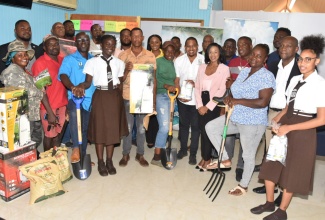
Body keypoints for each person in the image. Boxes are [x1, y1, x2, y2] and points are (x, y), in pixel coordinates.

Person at [251, 35, 325, 220]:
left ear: (317, 61)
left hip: (304, 130)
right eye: (301, 59)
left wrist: (290, 128)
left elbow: (321, 120)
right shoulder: (295, 80)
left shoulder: (320, 84)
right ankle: (269, 202)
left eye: (308, 60)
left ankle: (282, 211)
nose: (303, 63)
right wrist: (278, 118)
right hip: (287, 122)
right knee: (271, 166)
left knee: (293, 171)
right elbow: (288, 106)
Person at [205, 44, 276, 196]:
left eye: (259, 56)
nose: (254, 58)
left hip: (253, 122)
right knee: (211, 127)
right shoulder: (245, 72)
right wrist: (230, 98)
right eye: (253, 55)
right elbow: (235, 93)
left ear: (265, 58)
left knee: (248, 155)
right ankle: (224, 158)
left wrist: (238, 101)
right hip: (235, 117)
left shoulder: (267, 76)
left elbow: (263, 102)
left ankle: (243, 186)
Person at [252, 36, 301, 205]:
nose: (283, 48)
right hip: (271, 113)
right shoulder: (272, 66)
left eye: (289, 46)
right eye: (282, 46)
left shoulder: (300, 68)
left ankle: (282, 190)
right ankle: (269, 186)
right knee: (270, 152)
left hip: (289, 116)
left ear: (296, 49)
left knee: (285, 154)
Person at [73, 35, 128, 176]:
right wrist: (80, 86)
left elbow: (120, 81)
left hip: (114, 97)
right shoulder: (92, 62)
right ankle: (101, 162)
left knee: (112, 131)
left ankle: (109, 161)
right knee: (100, 131)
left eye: (112, 44)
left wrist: (120, 100)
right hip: (100, 96)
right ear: (101, 46)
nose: (110, 47)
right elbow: (87, 82)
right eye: (107, 44)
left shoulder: (119, 63)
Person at [0, 40, 53, 158]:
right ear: (12, 58)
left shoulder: (24, 71)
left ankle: (31, 159)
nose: (24, 57)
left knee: (35, 140)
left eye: (25, 55)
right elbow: (25, 92)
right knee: (24, 144)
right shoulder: (11, 72)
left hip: (32, 113)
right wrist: (40, 90)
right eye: (19, 55)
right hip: (22, 116)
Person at [118, 27, 156, 168]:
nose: (136, 39)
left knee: (141, 128)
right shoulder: (123, 56)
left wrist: (153, 100)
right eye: (133, 36)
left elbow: (154, 79)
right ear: (131, 38)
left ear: (143, 37)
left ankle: (140, 154)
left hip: (143, 96)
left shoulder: (150, 56)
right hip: (127, 95)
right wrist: (127, 70)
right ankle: (125, 153)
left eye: (139, 36)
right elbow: (119, 80)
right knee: (127, 126)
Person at [58, 32, 95, 163]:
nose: (83, 42)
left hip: (90, 100)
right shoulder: (70, 59)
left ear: (89, 43)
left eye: (85, 40)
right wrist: (72, 87)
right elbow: (63, 75)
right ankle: (75, 149)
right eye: (80, 40)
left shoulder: (94, 60)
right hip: (75, 98)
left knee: (84, 130)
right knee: (74, 119)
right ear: (76, 43)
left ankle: (83, 155)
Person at [195, 43, 229, 171]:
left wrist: (207, 107)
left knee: (208, 131)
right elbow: (197, 87)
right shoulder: (202, 67)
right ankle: (205, 157)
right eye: (210, 52)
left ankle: (207, 158)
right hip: (201, 102)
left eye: (215, 52)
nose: (213, 55)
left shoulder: (224, 68)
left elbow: (222, 90)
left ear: (220, 53)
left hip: (214, 103)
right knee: (201, 130)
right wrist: (199, 105)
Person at [31, 35, 68, 151]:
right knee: (49, 135)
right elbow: (41, 90)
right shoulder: (40, 63)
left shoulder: (63, 60)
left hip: (62, 104)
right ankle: (46, 161)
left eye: (56, 44)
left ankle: (55, 160)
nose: (54, 47)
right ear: (44, 48)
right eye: (50, 44)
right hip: (48, 106)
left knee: (58, 134)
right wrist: (50, 112)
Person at [225, 36, 253, 182]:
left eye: (244, 44)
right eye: (239, 45)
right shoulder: (233, 62)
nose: (240, 47)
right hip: (233, 104)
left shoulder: (257, 62)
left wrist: (235, 83)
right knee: (229, 135)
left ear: (251, 45)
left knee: (244, 137)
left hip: (248, 106)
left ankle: (240, 167)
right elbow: (228, 83)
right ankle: (226, 161)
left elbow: (255, 86)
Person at [175, 37, 204, 165]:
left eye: (193, 46)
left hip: (198, 100)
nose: (191, 48)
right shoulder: (179, 60)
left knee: (196, 128)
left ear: (197, 47)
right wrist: (177, 93)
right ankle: (182, 150)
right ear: (184, 47)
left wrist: (196, 83)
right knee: (183, 126)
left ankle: (193, 154)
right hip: (183, 99)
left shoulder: (203, 60)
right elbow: (177, 79)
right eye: (188, 46)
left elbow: (207, 80)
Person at [151, 40, 178, 167]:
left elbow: (176, 79)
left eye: (172, 51)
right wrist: (166, 85)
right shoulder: (158, 61)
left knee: (170, 127)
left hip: (172, 97)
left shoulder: (174, 63)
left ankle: (163, 151)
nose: (170, 53)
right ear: (163, 50)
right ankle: (157, 156)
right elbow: (153, 79)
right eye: (167, 51)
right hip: (161, 95)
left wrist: (175, 87)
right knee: (165, 127)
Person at [0, 20, 42, 84]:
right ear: (15, 31)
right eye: (23, 28)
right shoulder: (3, 49)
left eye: (29, 29)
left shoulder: (38, 50)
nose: (27, 30)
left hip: (35, 90)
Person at [145, 34, 163, 148]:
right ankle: (150, 139)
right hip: (147, 89)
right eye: (152, 42)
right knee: (149, 116)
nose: (154, 44)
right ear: (149, 44)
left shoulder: (165, 55)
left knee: (159, 116)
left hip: (161, 90)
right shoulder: (146, 55)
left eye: (157, 42)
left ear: (160, 42)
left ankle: (159, 138)